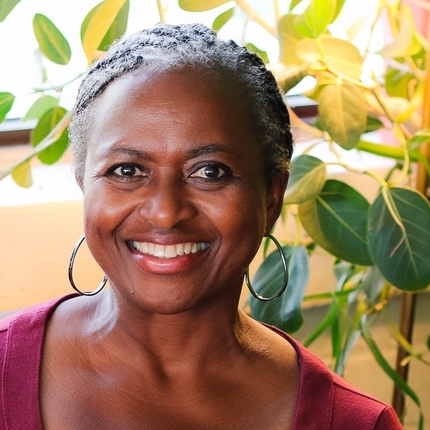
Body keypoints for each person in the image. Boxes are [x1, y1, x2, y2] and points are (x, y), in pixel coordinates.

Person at [0, 23, 402, 429]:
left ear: (271, 196)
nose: (165, 213)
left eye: (210, 172)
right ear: (84, 183)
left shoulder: (355, 424)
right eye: (127, 169)